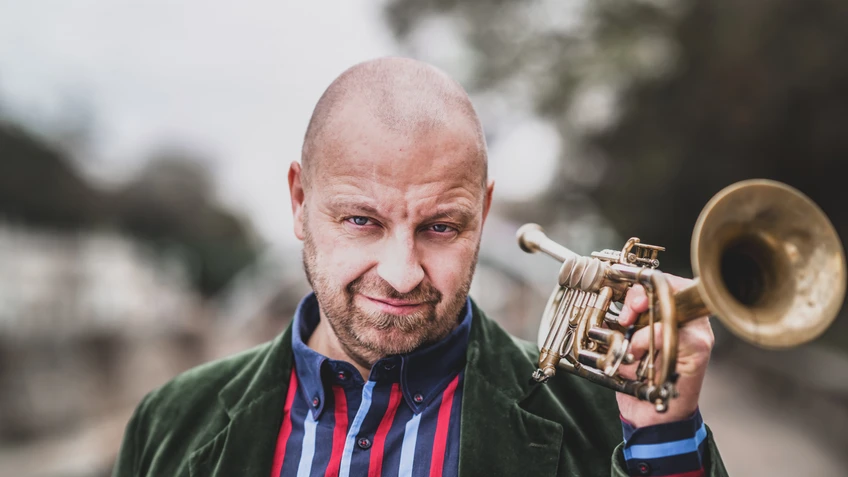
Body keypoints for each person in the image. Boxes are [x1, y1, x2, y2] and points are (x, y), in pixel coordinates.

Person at [112, 57, 727, 477]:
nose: (403, 273)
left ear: (482, 215)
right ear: (300, 203)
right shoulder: (169, 423)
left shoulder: (611, 426)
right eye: (362, 221)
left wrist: (663, 436)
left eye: (440, 227)